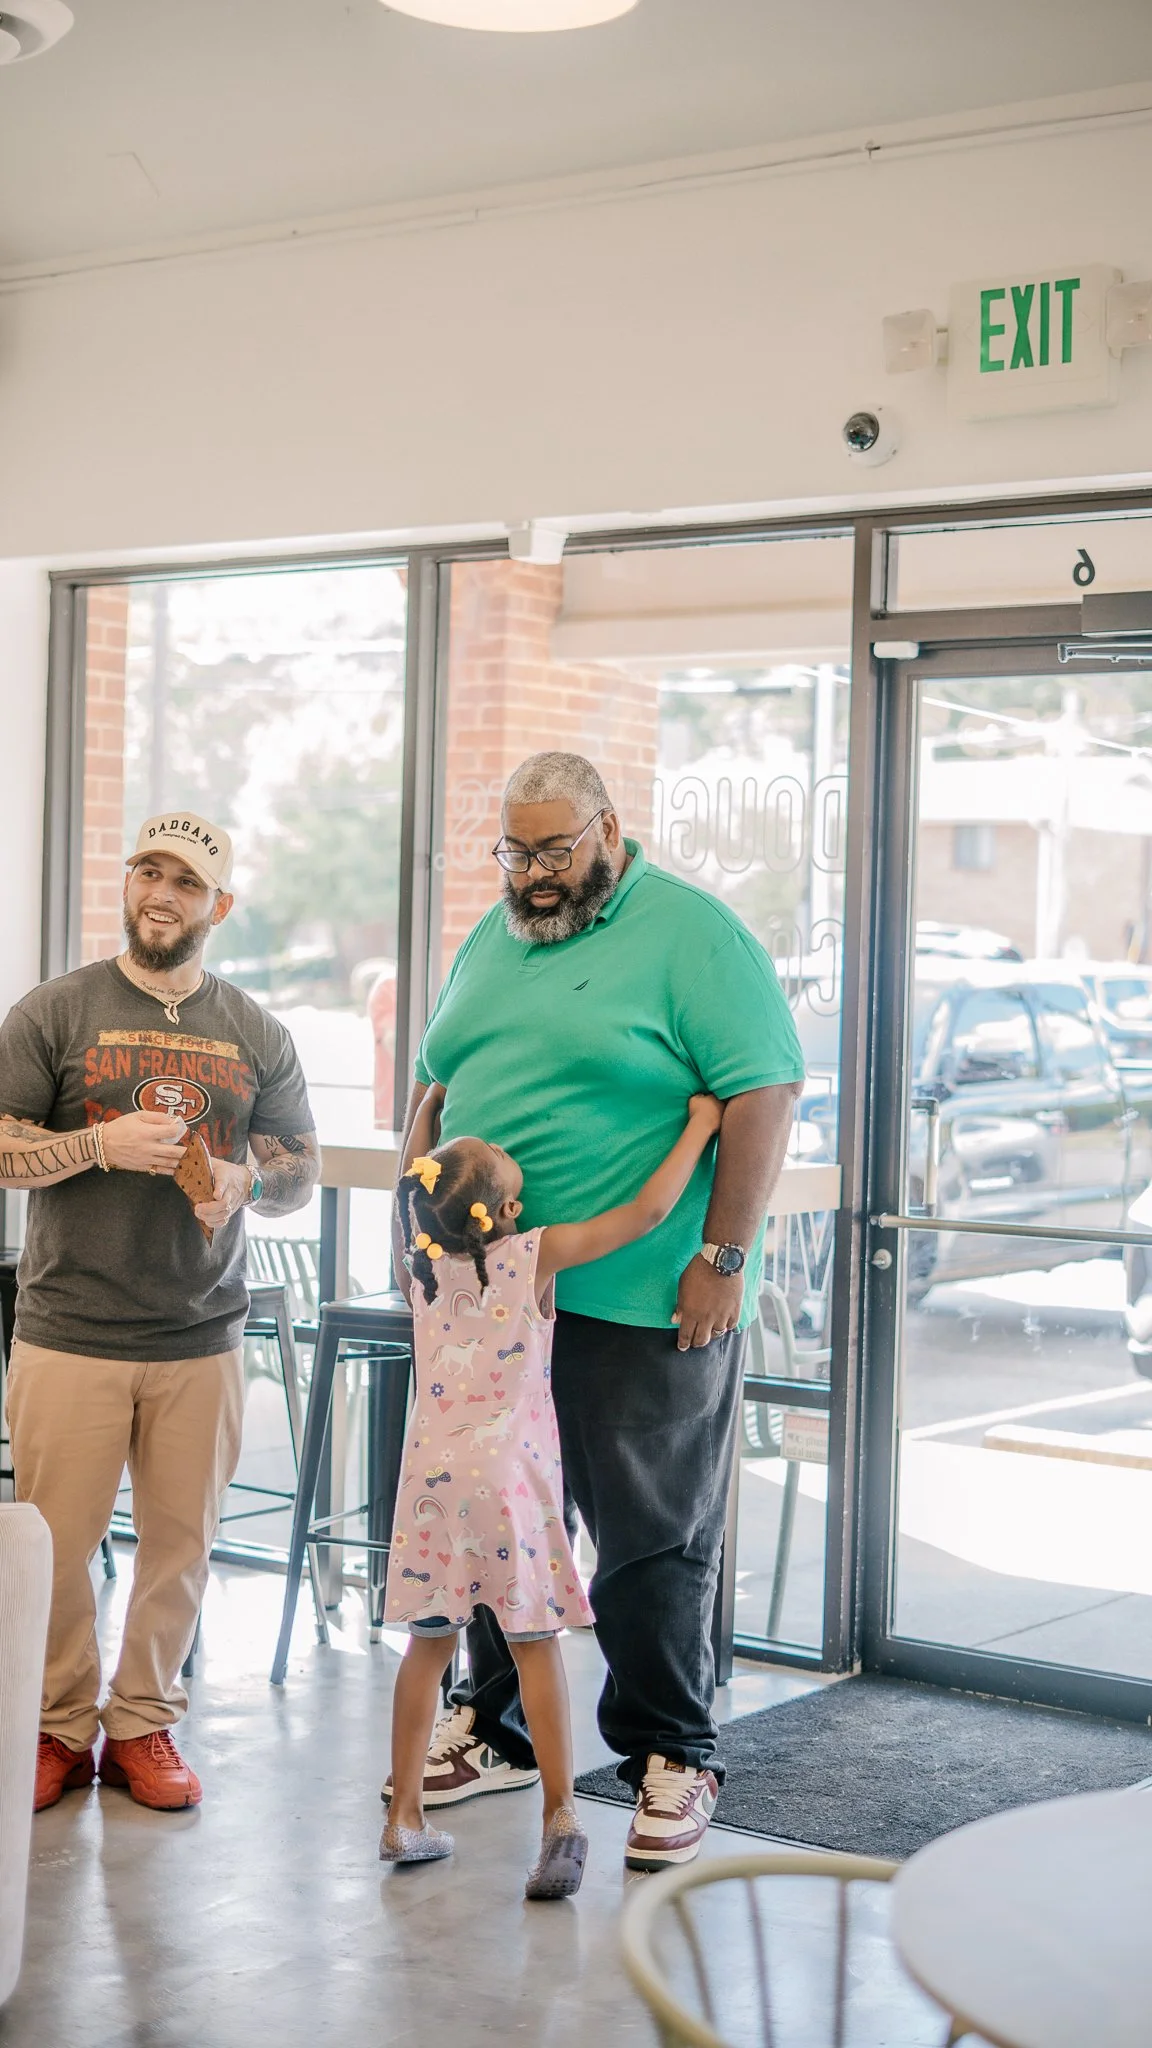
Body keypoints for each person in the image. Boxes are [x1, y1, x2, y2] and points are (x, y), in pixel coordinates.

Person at [389, 751, 805, 1871]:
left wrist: (723, 1254)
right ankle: (502, 1725)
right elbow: (433, 1080)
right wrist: (412, 1208)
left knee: (648, 1536)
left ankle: (674, 1750)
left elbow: (763, 1087)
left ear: (609, 831)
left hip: (638, 1300)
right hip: (494, 1309)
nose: (530, 875)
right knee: (498, 1524)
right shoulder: (493, 935)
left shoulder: (694, 933)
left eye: (553, 851)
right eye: (514, 853)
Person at [0, 811, 320, 1813]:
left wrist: (244, 1179)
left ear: (218, 906)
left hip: (200, 1331)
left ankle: (143, 1720)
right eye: (147, 871)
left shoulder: (256, 1030)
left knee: (180, 1543)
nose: (160, 894)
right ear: (127, 883)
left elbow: (298, 1165)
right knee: (52, 1545)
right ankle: (56, 1726)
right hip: (70, 1327)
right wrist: (95, 1145)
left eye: (185, 881)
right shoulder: (53, 1010)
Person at [381, 1083, 724, 1899]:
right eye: (509, 1171)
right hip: (509, 1482)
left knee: (428, 1648)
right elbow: (641, 1215)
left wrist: (421, 1116)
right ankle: (562, 1820)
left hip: (430, 1481)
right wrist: (700, 1127)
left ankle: (403, 1818)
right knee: (535, 1646)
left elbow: (408, 1189)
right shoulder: (525, 1258)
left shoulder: (417, 1269)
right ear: (505, 1211)